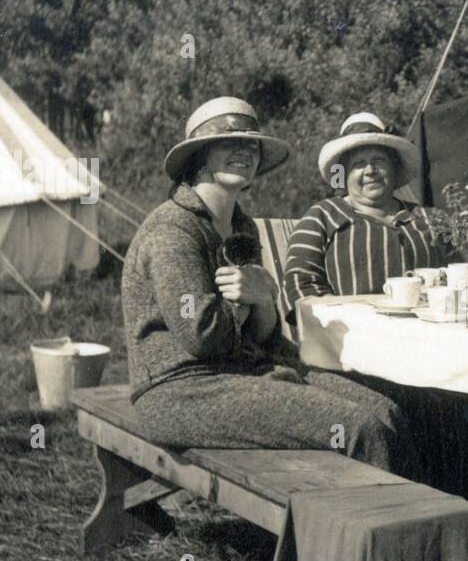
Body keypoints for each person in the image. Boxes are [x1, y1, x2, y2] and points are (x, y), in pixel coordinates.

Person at [122, 97, 407, 471]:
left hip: (245, 371)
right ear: (201, 157)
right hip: (180, 389)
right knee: (358, 428)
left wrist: (262, 300)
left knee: (386, 409)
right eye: (230, 142)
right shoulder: (172, 230)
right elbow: (201, 336)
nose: (244, 151)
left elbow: (262, 335)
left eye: (251, 144)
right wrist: (251, 297)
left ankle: (427, 525)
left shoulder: (242, 226)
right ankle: (361, 528)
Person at [280, 112, 450, 320]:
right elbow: (300, 284)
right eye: (358, 164)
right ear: (343, 175)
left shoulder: (429, 219)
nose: (370, 170)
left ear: (394, 168)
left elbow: (461, 278)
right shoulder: (322, 217)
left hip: (427, 336)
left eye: (379, 160)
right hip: (352, 337)